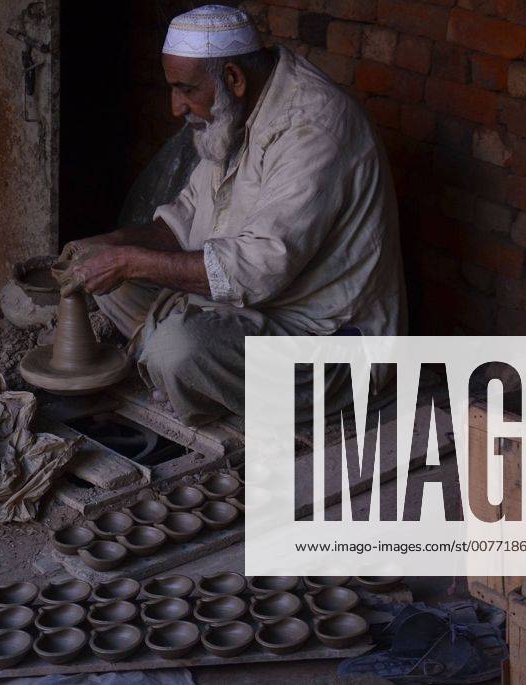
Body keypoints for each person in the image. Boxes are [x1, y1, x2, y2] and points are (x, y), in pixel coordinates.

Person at [59, 4, 406, 427]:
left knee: (176, 350)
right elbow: (186, 217)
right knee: (108, 281)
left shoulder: (315, 130)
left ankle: (192, 373)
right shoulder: (233, 111)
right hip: (250, 308)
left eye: (185, 89)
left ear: (233, 79)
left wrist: (131, 261)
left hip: (324, 340)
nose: (176, 106)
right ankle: (200, 373)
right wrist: (111, 246)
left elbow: (257, 271)